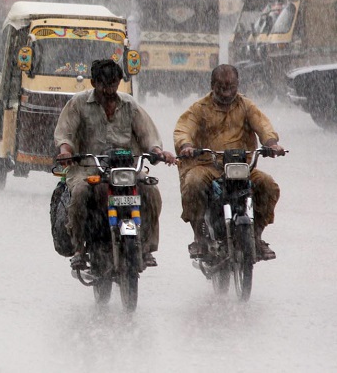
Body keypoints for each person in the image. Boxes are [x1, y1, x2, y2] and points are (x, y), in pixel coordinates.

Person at [54, 59, 176, 270]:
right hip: (89, 168)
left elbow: (148, 136)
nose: (110, 90)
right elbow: (65, 133)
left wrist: (158, 152)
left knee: (150, 191)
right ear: (93, 83)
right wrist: (66, 151)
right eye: (104, 84)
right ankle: (80, 248)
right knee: (81, 193)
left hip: (125, 169)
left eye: (114, 84)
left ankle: (147, 247)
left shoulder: (130, 105)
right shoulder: (78, 104)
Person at [174, 64, 285, 261]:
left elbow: (264, 126)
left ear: (237, 85)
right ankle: (199, 237)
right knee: (193, 184)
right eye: (221, 87)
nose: (226, 92)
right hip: (208, 166)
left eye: (231, 87)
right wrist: (186, 146)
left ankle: (257, 236)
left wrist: (272, 144)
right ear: (212, 85)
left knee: (268, 185)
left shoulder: (246, 106)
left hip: (241, 167)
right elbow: (184, 128)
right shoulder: (199, 108)